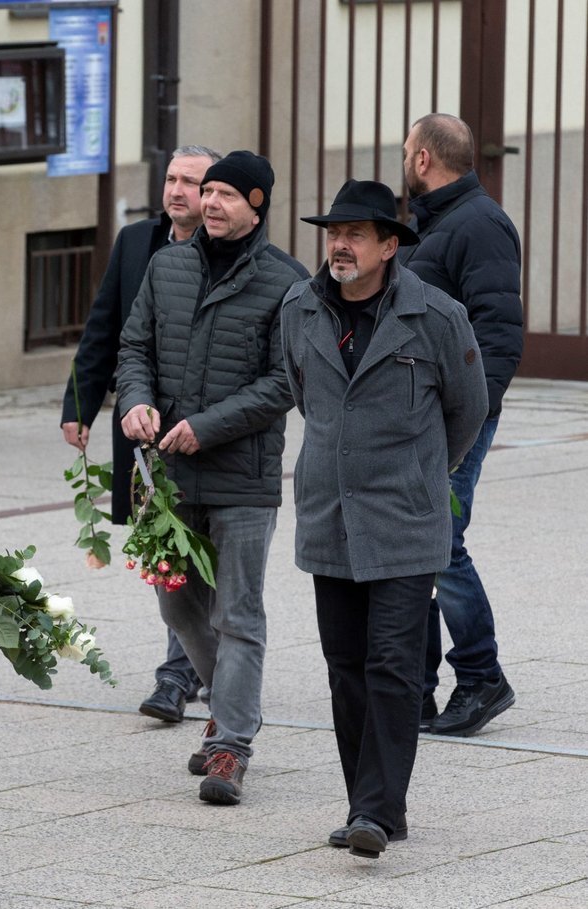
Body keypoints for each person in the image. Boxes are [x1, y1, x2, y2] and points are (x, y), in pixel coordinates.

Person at [281, 179, 489, 857]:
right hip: (329, 515)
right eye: (333, 232)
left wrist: (419, 473)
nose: (340, 244)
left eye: (357, 234)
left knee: (394, 665)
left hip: (404, 518)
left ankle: (375, 808)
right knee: (345, 665)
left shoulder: (436, 316)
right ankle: (372, 804)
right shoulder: (299, 309)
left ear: (390, 245)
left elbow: (468, 410)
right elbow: (303, 392)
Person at [117, 150, 305, 805]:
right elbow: (133, 346)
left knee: (237, 610)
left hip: (242, 478)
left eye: (227, 193)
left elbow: (286, 381)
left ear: (258, 205)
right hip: (170, 476)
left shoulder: (287, 281)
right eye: (209, 190)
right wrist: (134, 399)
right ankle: (226, 707)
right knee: (177, 601)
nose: (213, 202)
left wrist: (208, 424)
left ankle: (231, 745)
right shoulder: (166, 266)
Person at [60, 144, 221, 724]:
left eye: (193, 182)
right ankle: (201, 661)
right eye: (172, 180)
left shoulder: (230, 251)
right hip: (141, 423)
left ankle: (181, 672)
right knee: (162, 544)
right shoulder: (135, 244)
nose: (178, 191)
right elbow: (104, 328)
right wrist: (78, 404)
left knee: (197, 545)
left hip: (204, 430)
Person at [401, 113, 523, 736]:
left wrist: (469, 421)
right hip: (420, 416)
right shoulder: (435, 224)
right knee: (416, 547)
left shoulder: (478, 225)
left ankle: (481, 678)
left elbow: (499, 334)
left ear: (423, 159)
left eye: (405, 152)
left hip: (457, 422)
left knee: (441, 544)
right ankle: (414, 690)